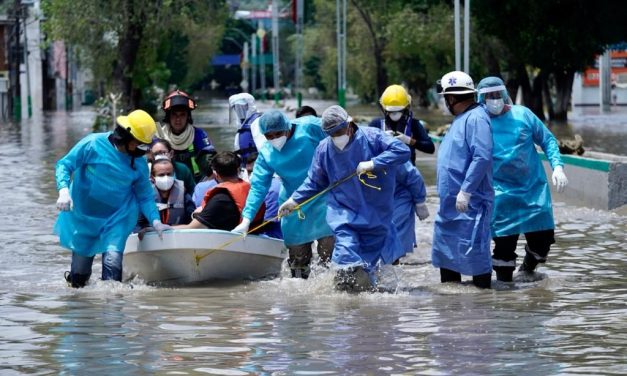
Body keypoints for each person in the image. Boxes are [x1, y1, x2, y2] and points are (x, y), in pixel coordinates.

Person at [279, 105, 410, 292]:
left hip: (375, 211)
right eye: (331, 134)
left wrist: (375, 163)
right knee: (345, 255)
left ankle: (364, 303)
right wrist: (295, 200)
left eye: (339, 131)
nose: (337, 137)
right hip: (343, 212)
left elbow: (402, 151)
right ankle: (344, 302)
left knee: (368, 262)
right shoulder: (324, 149)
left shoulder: (372, 138)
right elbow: (315, 181)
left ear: (349, 124)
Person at [55, 109, 171, 288]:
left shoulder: (138, 161)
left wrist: (155, 220)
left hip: (117, 217)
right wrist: (63, 190)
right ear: (125, 136)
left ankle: (113, 311)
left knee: (112, 268)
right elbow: (64, 165)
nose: (141, 150)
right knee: (79, 278)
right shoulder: (92, 144)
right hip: (84, 217)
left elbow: (145, 195)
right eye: (138, 144)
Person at [476, 76, 569, 282]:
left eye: (497, 94)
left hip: (532, 190)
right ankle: (505, 297)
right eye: (488, 96)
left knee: (542, 243)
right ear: (480, 98)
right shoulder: (478, 122)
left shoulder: (523, 115)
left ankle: (528, 269)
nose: (494, 100)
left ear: (504, 94)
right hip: (500, 194)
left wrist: (558, 167)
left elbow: (548, 140)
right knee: (503, 251)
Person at [232, 111, 334, 279]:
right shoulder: (266, 153)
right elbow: (258, 187)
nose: (274, 139)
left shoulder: (309, 127)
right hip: (291, 205)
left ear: (287, 127)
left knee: (328, 258)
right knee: (298, 264)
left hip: (323, 197)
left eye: (278, 133)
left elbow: (341, 134)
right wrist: (247, 219)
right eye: (269, 136)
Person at [432, 70, 494, 289]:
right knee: (447, 258)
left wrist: (466, 191)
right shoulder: (461, 119)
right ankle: (451, 311)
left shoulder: (476, 118)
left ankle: (483, 305)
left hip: (470, 204)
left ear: (451, 98)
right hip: (450, 207)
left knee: (476, 257)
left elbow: (482, 156)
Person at [175, 151, 265, 231]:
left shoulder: (220, 199)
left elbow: (192, 228)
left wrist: (168, 228)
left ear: (215, 174)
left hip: (235, 244)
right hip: (256, 235)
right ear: (238, 170)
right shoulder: (253, 190)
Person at [369, 84, 435, 164]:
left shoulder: (414, 124)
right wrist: (380, 139)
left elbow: (430, 148)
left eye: (399, 110)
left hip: (407, 173)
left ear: (406, 108)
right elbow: (364, 148)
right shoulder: (376, 124)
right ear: (384, 109)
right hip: (384, 172)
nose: (395, 114)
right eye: (391, 112)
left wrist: (410, 140)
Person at [160, 89, 214, 182]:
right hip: (166, 184)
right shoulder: (159, 135)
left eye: (182, 115)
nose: (178, 119)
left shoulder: (198, 134)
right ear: (168, 116)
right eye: (174, 114)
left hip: (194, 184)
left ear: (188, 117)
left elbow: (209, 160)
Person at [391, 161, 430, 263]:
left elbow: (413, 176)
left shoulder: (386, 151)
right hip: (379, 201)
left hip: (398, 200)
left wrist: (420, 202)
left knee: (392, 243)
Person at [143, 156, 195, 227]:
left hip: (179, 235)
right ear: (152, 177)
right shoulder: (145, 195)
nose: (166, 177)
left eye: (169, 174)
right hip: (153, 236)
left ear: (174, 175)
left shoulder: (183, 193)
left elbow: (192, 220)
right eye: (161, 175)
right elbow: (138, 224)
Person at [245, 152, 283, 240]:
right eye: (249, 171)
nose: (251, 175)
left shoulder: (273, 189)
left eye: (254, 171)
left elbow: (266, 222)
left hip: (276, 238)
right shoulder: (257, 188)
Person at [229, 93, 264, 164]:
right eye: (236, 107)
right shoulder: (241, 125)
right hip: (245, 165)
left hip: (256, 165)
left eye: (243, 107)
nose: (239, 110)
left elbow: (262, 147)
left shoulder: (256, 122)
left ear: (250, 106)